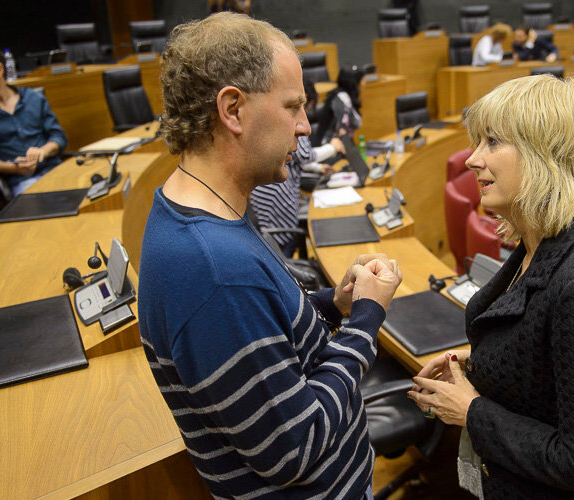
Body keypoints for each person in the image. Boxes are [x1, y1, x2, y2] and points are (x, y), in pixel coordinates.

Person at [138, 12, 403, 499]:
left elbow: (265, 330)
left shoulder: (205, 218)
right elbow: (293, 451)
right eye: (293, 106)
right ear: (233, 110)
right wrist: (366, 319)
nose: (305, 127)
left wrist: (332, 304)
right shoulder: (216, 271)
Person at [407, 75, 574, 498]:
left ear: (545, 156)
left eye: (492, 142)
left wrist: (471, 411)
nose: (473, 159)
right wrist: (475, 366)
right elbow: (544, 356)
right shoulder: (539, 243)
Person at [251, 78, 345, 257]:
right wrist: (333, 147)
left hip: (266, 199)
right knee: (282, 253)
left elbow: (294, 160)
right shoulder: (292, 123)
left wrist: (317, 169)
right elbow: (303, 154)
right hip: (276, 204)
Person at [0, 44, 67, 197]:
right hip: (22, 181)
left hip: (55, 171)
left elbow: (58, 137)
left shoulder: (33, 98)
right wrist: (15, 168)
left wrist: (43, 151)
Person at [313, 66, 363, 146]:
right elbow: (343, 131)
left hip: (338, 146)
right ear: (354, 82)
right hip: (329, 148)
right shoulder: (341, 98)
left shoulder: (343, 95)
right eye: (362, 80)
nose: (364, 83)